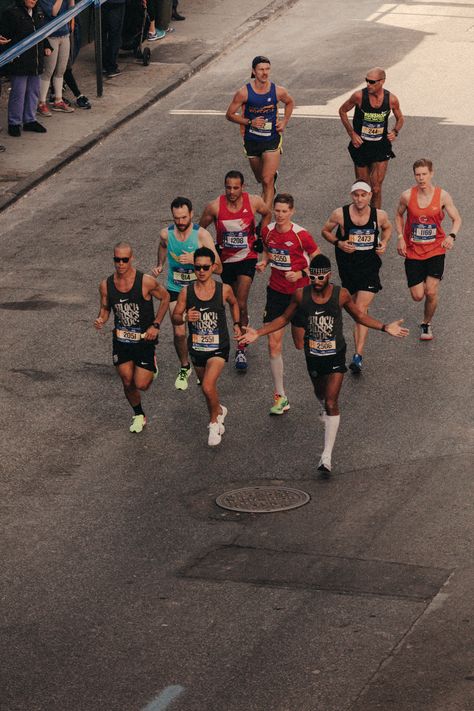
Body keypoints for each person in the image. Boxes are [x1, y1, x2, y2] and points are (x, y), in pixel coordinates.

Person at [240, 254, 409, 473]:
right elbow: (283, 319)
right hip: (314, 356)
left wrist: (386, 327)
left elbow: (359, 316)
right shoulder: (301, 295)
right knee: (320, 394)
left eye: (321, 277)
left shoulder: (341, 295)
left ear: (329, 275)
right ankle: (323, 406)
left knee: (331, 402)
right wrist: (259, 333)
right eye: (313, 277)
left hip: (336, 354)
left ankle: (326, 456)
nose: (317, 281)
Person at [94, 242, 169, 433]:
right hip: (121, 341)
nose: (120, 264)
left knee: (141, 384)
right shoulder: (106, 285)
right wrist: (101, 319)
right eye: (117, 260)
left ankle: (152, 364)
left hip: (144, 340)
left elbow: (166, 298)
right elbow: (105, 308)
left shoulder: (146, 281)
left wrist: (156, 325)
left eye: (124, 260)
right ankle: (138, 415)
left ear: (131, 259)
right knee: (127, 381)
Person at [199, 170, 271, 371]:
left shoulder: (254, 202)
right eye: (228, 187)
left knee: (241, 301)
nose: (231, 191)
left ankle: (241, 346)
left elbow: (267, 213)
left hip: (247, 258)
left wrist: (260, 235)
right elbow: (199, 229)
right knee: (231, 303)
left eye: (235, 188)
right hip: (225, 261)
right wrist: (210, 248)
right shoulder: (215, 206)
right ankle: (234, 333)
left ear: (243, 187)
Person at [257, 192, 319, 414]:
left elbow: (320, 262)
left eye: (285, 211)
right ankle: (280, 396)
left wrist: (301, 271)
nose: (281, 215)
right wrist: (265, 262)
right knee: (273, 343)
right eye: (278, 211)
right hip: (276, 293)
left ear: (292, 211)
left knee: (300, 343)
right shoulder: (267, 232)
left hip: (300, 294)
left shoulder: (301, 235)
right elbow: (268, 250)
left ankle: (321, 382)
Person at [172, 247, 241, 446]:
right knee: (206, 388)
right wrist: (185, 316)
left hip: (219, 347)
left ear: (213, 267)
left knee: (208, 385)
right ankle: (219, 410)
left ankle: (213, 424)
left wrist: (237, 324)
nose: (201, 271)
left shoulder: (223, 289)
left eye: (205, 267)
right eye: (197, 267)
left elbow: (234, 304)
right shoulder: (187, 291)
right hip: (197, 348)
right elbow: (175, 316)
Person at [321, 180, 392, 373]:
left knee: (360, 308)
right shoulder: (340, 214)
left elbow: (388, 228)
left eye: (363, 195)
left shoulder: (379, 215)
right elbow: (325, 231)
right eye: (356, 195)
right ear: (352, 196)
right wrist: (339, 243)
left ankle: (357, 356)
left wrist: (384, 243)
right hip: (349, 269)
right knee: (356, 311)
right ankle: (359, 342)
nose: (359, 199)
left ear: (370, 196)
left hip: (369, 268)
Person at [153, 197, 222, 390]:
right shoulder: (166, 235)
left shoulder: (201, 236)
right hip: (175, 289)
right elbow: (162, 246)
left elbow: (218, 268)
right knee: (179, 330)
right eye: (177, 218)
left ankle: (201, 368)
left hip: (198, 291)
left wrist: (195, 259)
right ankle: (185, 366)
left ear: (192, 214)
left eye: (184, 217)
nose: (181, 222)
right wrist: (160, 265)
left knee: (200, 333)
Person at [395, 158, 461, 340]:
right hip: (413, 250)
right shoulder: (407, 196)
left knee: (431, 291)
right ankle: (424, 283)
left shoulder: (442, 196)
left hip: (435, 249)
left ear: (431, 174)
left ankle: (426, 324)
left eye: (424, 174)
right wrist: (400, 237)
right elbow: (398, 215)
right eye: (418, 175)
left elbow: (457, 219)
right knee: (417, 296)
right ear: (414, 176)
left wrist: (451, 235)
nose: (421, 178)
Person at [225, 56, 294, 208]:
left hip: (272, 138)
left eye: (267, 69)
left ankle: (265, 219)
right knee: (260, 178)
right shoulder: (244, 93)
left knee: (267, 179)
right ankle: (270, 180)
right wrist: (250, 122)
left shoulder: (278, 91)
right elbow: (229, 115)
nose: (265, 73)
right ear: (253, 72)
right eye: (261, 69)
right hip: (251, 140)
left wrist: (284, 121)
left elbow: (289, 102)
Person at [338, 67, 403, 208]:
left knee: (376, 188)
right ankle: (363, 220)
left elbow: (400, 118)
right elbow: (342, 111)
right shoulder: (359, 96)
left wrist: (395, 131)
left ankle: (375, 221)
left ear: (382, 81)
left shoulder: (391, 99)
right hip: (361, 146)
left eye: (372, 82)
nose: (368, 84)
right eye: (367, 81)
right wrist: (352, 134)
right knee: (363, 188)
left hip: (380, 146)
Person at [0, 0, 51, 137]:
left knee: (34, 91)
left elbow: (41, 33)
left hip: (36, 60)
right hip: (20, 61)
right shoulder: (10, 13)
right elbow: (4, 37)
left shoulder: (38, 12)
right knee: (18, 92)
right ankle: (14, 123)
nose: (33, 0)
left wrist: (47, 45)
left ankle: (30, 120)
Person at [38, 0, 75, 115]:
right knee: (48, 71)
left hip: (64, 33)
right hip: (51, 36)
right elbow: (53, 12)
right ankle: (41, 103)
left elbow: (72, 12)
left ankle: (58, 100)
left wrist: (71, 2)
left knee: (61, 70)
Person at [101, 0, 126, 78]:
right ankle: (111, 67)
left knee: (102, 33)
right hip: (116, 3)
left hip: (101, 4)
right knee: (114, 34)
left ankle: (104, 64)